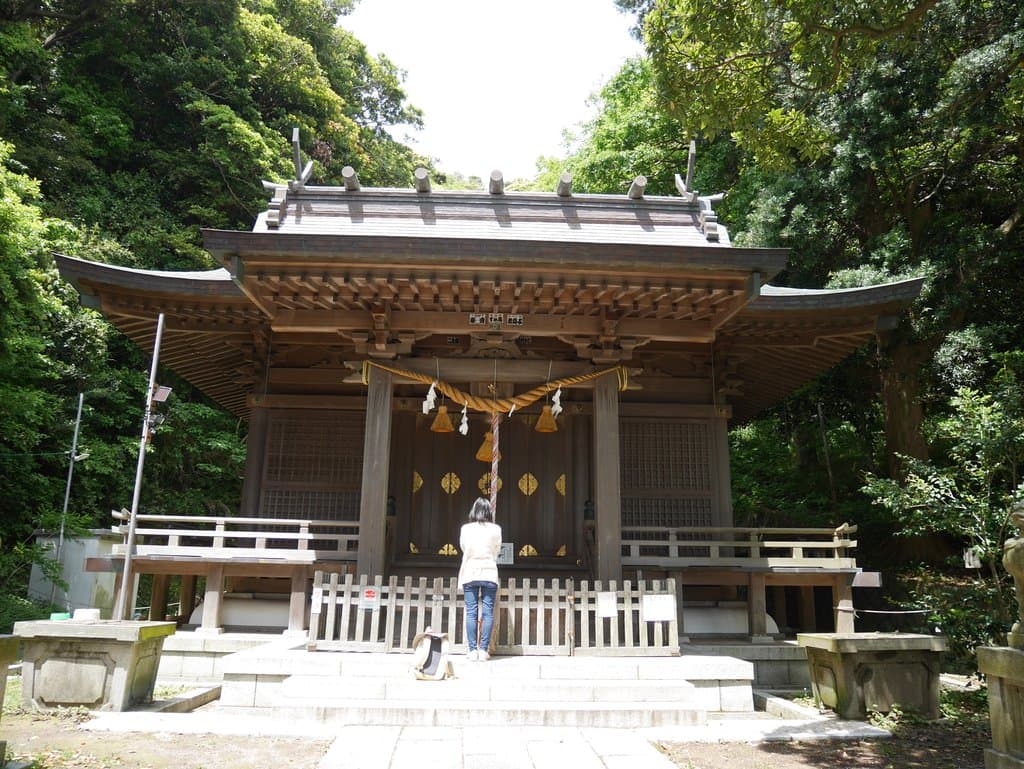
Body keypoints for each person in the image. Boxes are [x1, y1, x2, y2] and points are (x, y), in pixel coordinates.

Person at [458, 497, 501, 661]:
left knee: (471, 612)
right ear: (489, 511)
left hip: (471, 571)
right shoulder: (496, 529)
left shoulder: (465, 529)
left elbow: (463, 547)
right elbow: (497, 550)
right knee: (488, 612)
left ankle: (472, 650)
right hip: (489, 571)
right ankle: (483, 650)